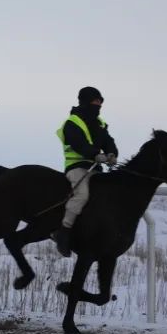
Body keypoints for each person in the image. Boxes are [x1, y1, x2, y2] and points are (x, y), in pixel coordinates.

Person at [51, 86, 118, 256]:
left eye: (100, 102)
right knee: (82, 195)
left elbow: (108, 141)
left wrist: (112, 153)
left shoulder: (100, 123)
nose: (99, 105)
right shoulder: (72, 122)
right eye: (96, 101)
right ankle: (63, 232)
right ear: (86, 101)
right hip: (76, 167)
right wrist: (95, 154)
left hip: (96, 167)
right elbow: (78, 143)